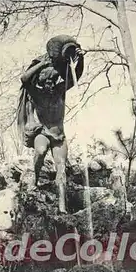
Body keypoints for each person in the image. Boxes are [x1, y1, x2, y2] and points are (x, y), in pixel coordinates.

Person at [18, 47, 84, 213]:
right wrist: (43, 64)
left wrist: (80, 59)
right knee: (40, 151)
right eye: (45, 82)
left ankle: (62, 206)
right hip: (44, 133)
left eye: (51, 81)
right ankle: (34, 181)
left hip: (59, 136)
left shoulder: (60, 91)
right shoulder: (37, 94)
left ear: (55, 81)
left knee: (61, 166)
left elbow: (76, 77)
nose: (48, 84)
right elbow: (24, 79)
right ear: (40, 82)